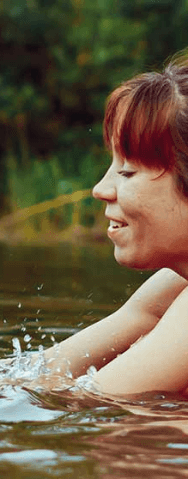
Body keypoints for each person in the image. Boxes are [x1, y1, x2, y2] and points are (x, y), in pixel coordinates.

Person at [31, 54, 188, 396]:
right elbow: (36, 375)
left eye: (127, 171)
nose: (100, 189)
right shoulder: (175, 285)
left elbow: (89, 401)